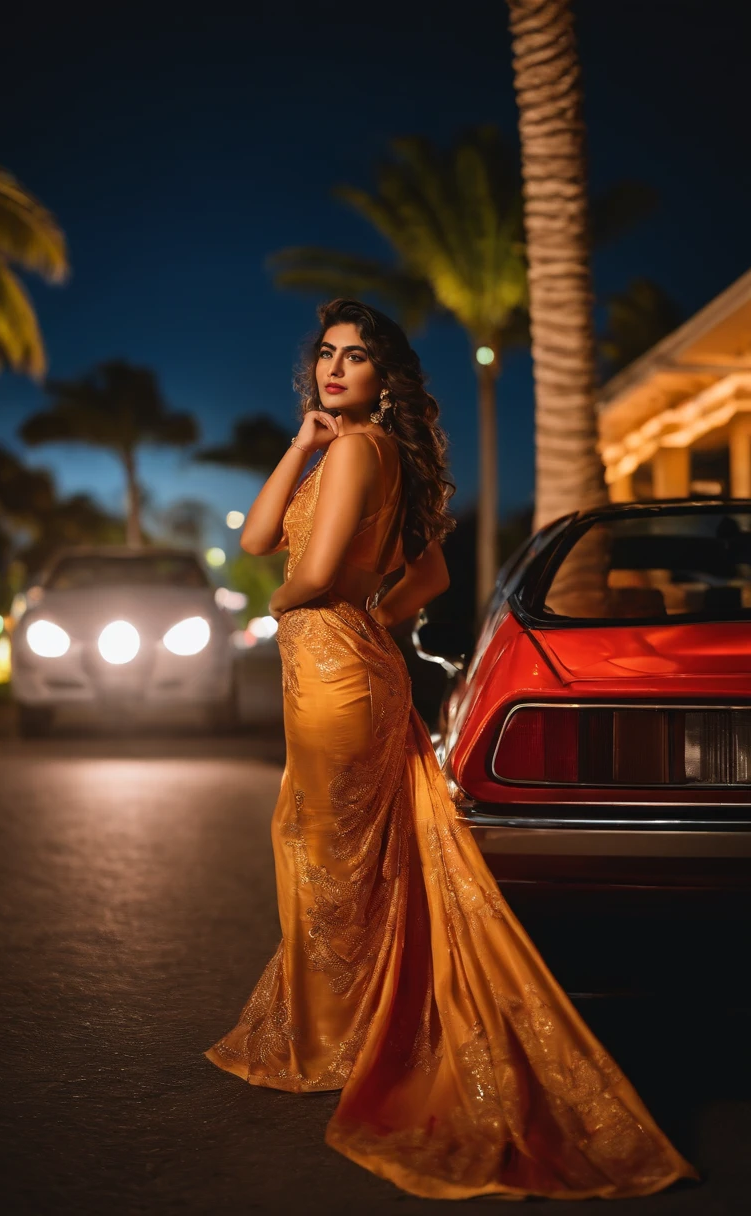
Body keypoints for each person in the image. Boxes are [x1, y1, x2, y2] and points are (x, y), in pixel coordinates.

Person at [205, 298, 700, 1200]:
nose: (336, 367)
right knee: (346, 855)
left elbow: (300, 569)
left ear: (386, 379)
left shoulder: (362, 450)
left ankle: (348, 1038)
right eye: (326, 354)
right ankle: (348, 1028)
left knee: (329, 857)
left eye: (356, 357)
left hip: (333, 678)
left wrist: (297, 612)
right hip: (345, 670)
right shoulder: (359, 450)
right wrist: (301, 449)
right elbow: (319, 550)